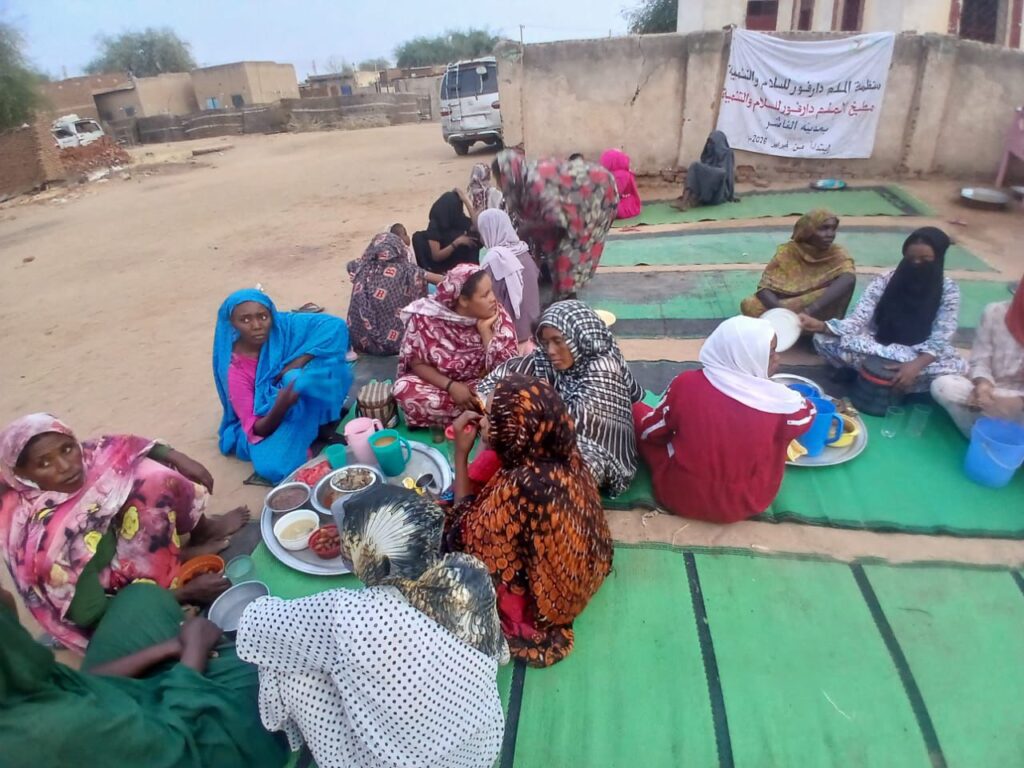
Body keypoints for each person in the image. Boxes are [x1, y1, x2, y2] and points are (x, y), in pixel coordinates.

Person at [237, 484, 507, 768]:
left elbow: (258, 626)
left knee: (288, 671)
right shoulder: (468, 572)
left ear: (370, 558)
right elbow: (499, 654)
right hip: (480, 750)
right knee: (332, 655)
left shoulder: (351, 615)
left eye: (351, 544)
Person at [0, 413, 243, 653]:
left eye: (67, 449)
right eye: (44, 464)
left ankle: (188, 543)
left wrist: (177, 457)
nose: (65, 466)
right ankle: (165, 581)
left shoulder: (84, 458)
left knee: (150, 474)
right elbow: (92, 616)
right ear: (21, 475)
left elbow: (120, 447)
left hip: (114, 543)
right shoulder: (50, 549)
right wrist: (183, 594)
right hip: (102, 596)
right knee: (174, 636)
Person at [0, 581, 287, 768]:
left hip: (120, 718)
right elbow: (175, 743)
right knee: (269, 670)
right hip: (184, 748)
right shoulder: (48, 732)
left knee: (140, 598)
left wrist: (168, 648)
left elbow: (86, 683)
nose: (5, 592)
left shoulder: (15, 680)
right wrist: (194, 651)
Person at [447, 373, 613, 667]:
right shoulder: (562, 453)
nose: (483, 421)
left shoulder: (521, 487)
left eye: (491, 417)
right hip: (586, 569)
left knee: (453, 562)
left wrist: (460, 455)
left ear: (515, 431)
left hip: (550, 603)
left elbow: (464, 537)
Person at [635, 316, 815, 523]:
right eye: (771, 353)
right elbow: (808, 415)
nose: (777, 358)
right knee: (776, 441)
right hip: (747, 502)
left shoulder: (685, 384)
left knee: (639, 411)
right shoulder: (782, 404)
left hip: (680, 496)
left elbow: (650, 432)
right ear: (748, 357)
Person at [478, 301, 644, 496]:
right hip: (554, 437)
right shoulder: (549, 359)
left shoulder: (603, 370)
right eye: (546, 342)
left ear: (580, 338)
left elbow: (573, 435)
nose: (551, 350)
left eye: (558, 341)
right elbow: (502, 378)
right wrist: (496, 409)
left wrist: (513, 428)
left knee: (570, 474)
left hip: (594, 451)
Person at [800, 227, 967, 392]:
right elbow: (859, 318)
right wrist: (821, 326)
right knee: (823, 340)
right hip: (877, 343)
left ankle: (869, 372)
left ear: (938, 257)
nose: (916, 263)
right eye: (911, 258)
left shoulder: (948, 290)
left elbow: (941, 336)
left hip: (916, 353)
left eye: (925, 259)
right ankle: (889, 379)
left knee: (955, 368)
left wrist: (915, 366)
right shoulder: (886, 279)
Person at [214, 289, 352, 483]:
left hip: (297, 394)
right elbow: (258, 429)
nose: (257, 326)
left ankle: (317, 421)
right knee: (275, 466)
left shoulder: (282, 326)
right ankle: (310, 426)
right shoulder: (235, 371)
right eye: (245, 320)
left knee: (322, 368)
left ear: (272, 314)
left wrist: (297, 362)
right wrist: (281, 405)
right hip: (275, 414)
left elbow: (334, 326)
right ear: (232, 324)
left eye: (263, 317)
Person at [393, 264, 518, 428]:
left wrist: (485, 332)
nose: (493, 299)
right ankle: (483, 418)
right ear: (463, 300)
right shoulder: (429, 317)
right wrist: (452, 387)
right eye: (485, 295)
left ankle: (473, 416)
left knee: (509, 395)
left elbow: (508, 371)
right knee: (403, 388)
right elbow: (417, 363)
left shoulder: (497, 316)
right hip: (444, 386)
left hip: (481, 386)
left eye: (491, 291)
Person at [492, 150, 619, 299]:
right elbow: (542, 229)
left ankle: (566, 301)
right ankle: (563, 297)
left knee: (569, 253)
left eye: (499, 179)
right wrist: (536, 262)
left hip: (596, 195)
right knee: (558, 257)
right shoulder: (523, 186)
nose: (499, 185)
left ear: (507, 175)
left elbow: (556, 221)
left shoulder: (534, 183)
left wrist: (527, 229)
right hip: (573, 205)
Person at [932, 275, 1024, 436]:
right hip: (992, 393)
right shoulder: (995, 312)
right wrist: (983, 386)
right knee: (944, 386)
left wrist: (1017, 402)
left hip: (1019, 402)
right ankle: (989, 436)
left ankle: (987, 433)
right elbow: (980, 360)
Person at [740, 209, 856, 320]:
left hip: (818, 307)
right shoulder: (788, 251)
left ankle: (813, 324)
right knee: (750, 305)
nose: (830, 234)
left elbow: (849, 278)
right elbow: (764, 289)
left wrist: (808, 312)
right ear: (808, 230)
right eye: (824, 228)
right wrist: (784, 314)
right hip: (788, 306)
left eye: (833, 229)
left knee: (841, 288)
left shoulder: (837, 253)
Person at [347, 232, 442, 357]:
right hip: (396, 344)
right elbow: (440, 280)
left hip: (363, 342)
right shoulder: (407, 270)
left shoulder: (362, 268)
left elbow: (350, 265)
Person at [478, 208, 541, 354]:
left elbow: (487, 302)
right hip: (533, 332)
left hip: (511, 338)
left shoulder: (494, 260)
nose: (481, 238)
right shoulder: (524, 251)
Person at [412, 191, 481, 273]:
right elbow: (436, 256)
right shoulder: (435, 225)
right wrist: (456, 243)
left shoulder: (459, 220)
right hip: (444, 266)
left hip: (461, 263)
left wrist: (466, 201)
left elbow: (478, 226)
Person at [673, 130, 736, 211]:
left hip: (720, 192)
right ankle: (685, 200)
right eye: (708, 142)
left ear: (719, 143)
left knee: (717, 172)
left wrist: (731, 195)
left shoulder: (727, 154)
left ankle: (689, 200)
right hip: (708, 187)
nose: (709, 145)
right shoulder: (709, 154)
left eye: (712, 143)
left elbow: (727, 176)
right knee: (695, 167)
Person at [600, 148, 643, 220]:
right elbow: (633, 191)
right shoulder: (627, 175)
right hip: (626, 204)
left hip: (610, 205)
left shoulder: (604, 175)